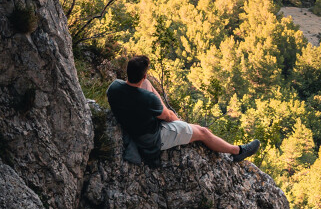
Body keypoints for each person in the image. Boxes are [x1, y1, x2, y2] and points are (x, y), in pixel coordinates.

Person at [106, 53, 260, 167]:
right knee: (203, 132)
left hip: (132, 122)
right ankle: (237, 151)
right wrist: (186, 126)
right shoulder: (148, 99)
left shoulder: (114, 87)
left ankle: (188, 128)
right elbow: (167, 116)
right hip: (152, 138)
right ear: (144, 75)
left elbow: (139, 91)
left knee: (148, 88)